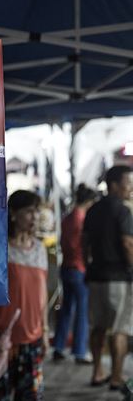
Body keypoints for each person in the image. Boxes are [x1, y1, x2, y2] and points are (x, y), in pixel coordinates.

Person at [0, 190, 48, 400]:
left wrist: (45, 330)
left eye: (37, 212)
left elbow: (42, 297)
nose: (34, 217)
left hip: (32, 340)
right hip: (3, 342)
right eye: (29, 212)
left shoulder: (40, 250)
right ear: (13, 214)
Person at [83, 165, 133, 390]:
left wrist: (87, 266)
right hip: (118, 277)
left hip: (95, 276)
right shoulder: (122, 210)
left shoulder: (92, 210)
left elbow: (84, 243)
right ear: (114, 185)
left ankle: (96, 372)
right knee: (119, 328)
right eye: (128, 183)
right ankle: (115, 377)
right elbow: (127, 243)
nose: (130, 188)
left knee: (98, 326)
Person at [52, 184, 97, 363]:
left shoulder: (68, 217)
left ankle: (59, 346)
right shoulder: (82, 218)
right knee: (82, 311)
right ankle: (79, 351)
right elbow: (79, 245)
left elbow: (65, 243)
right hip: (79, 268)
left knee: (66, 309)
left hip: (66, 267)